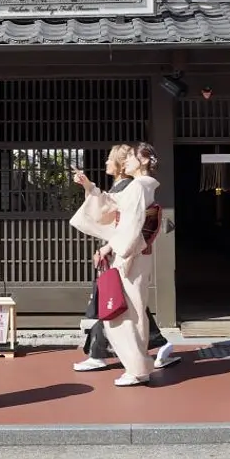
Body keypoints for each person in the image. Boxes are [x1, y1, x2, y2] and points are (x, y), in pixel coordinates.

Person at [74, 145, 179, 373]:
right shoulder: (139, 187)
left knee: (128, 312)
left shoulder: (138, 188)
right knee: (132, 310)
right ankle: (137, 363)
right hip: (130, 251)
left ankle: (136, 368)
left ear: (142, 161)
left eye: (131, 157)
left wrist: (117, 249)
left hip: (129, 253)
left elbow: (130, 226)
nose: (127, 161)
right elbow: (117, 212)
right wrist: (89, 187)